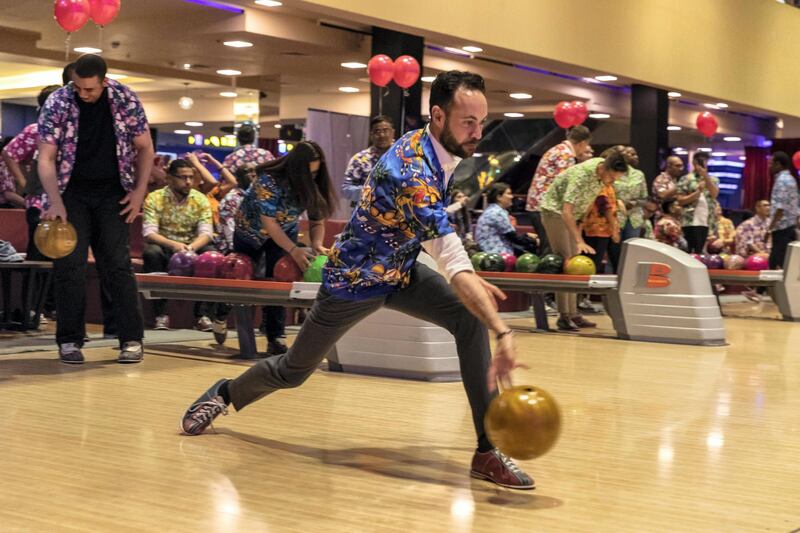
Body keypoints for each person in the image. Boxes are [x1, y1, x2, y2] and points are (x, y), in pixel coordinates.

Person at [180, 71, 534, 490]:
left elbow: (444, 251)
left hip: (401, 270)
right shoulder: (411, 172)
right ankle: (224, 393)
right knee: (293, 372)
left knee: (466, 319)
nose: (477, 133)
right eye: (468, 122)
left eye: (481, 121)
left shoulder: (436, 146)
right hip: (354, 282)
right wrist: (503, 329)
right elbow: (452, 260)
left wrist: (476, 294)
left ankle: (486, 450)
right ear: (438, 116)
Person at [36, 54, 152, 364]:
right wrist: (55, 200)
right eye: (78, 87)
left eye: (89, 89)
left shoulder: (125, 98)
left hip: (113, 192)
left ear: (103, 81)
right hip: (70, 192)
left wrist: (139, 193)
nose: (83, 94)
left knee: (116, 264)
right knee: (69, 265)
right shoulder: (59, 101)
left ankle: (130, 339)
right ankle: (70, 340)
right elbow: (45, 158)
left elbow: (145, 148)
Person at [233, 140, 336, 355]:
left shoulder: (312, 183)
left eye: (316, 173)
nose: (312, 178)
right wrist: (293, 249)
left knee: (280, 280)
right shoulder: (268, 181)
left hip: (283, 234)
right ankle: (225, 315)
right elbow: (269, 223)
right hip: (250, 233)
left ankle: (275, 336)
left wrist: (316, 244)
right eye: (309, 174)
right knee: (243, 280)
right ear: (296, 169)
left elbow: (317, 220)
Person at [539, 149, 628, 331]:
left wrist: (580, 224)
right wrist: (579, 240)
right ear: (604, 169)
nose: (612, 182)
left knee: (574, 265)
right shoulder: (582, 175)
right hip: (554, 214)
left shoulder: (600, 175)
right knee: (567, 262)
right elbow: (566, 210)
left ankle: (573, 313)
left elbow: (585, 203)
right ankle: (564, 317)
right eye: (612, 177)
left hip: (572, 218)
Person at [142, 159, 216, 331]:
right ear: (169, 178)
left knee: (211, 255)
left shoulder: (200, 199)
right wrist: (174, 245)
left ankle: (203, 316)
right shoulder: (155, 198)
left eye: (191, 177)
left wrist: (191, 248)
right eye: (183, 178)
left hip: (192, 247)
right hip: (166, 246)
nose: (188, 182)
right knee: (152, 253)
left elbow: (206, 233)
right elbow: (149, 233)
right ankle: (161, 315)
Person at [525, 125, 592, 254]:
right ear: (582, 143)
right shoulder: (566, 156)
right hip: (545, 207)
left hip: (538, 204)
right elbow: (564, 186)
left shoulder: (557, 149)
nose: (585, 150)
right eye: (586, 146)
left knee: (548, 246)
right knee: (552, 248)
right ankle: (546, 274)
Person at [342, 115, 396, 208]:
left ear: (393, 132)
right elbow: (346, 189)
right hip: (365, 216)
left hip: (396, 216)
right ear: (371, 135)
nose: (382, 135)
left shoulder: (405, 157)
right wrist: (369, 192)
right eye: (377, 132)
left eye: (385, 130)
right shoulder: (360, 159)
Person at [608, 146, 648, 272]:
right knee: (614, 253)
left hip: (634, 218)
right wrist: (619, 203)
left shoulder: (639, 174)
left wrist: (634, 202)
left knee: (631, 253)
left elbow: (645, 199)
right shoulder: (612, 172)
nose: (631, 156)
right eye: (627, 153)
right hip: (615, 216)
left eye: (633, 153)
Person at [677, 152, 719, 254]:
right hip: (690, 219)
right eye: (699, 162)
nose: (702, 164)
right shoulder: (686, 179)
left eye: (705, 162)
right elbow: (680, 200)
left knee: (705, 249)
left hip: (708, 219)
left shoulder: (713, 179)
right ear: (694, 162)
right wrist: (697, 192)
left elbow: (714, 194)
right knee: (692, 249)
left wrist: (705, 176)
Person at [767, 151, 799, 269]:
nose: (769, 167)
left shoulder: (781, 181)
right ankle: (763, 288)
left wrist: (769, 229)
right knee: (782, 261)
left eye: (771, 163)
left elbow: (779, 208)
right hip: (790, 227)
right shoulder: (791, 179)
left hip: (781, 228)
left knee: (778, 261)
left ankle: (765, 288)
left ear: (778, 164)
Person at [580, 180, 619, 272]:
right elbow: (604, 207)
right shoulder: (601, 187)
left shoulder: (607, 186)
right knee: (593, 262)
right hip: (598, 228)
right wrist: (614, 230)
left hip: (603, 228)